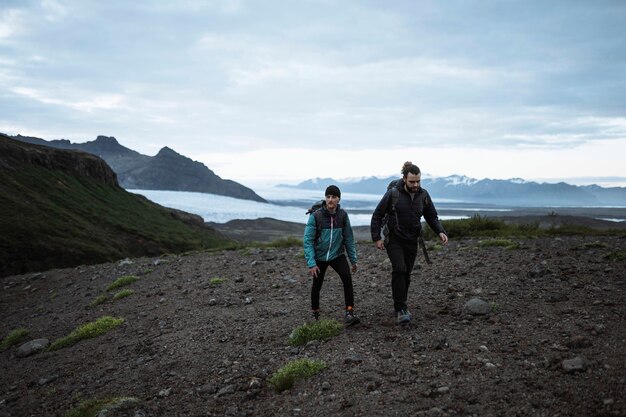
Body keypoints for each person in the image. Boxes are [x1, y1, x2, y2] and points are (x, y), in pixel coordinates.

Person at [370, 162, 448, 325]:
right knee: (399, 269)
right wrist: (377, 238)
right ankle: (401, 308)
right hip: (394, 239)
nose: (416, 184)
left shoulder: (423, 195)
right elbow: (377, 215)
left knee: (407, 274)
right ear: (404, 179)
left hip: (412, 239)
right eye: (412, 181)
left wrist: (440, 231)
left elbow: (431, 216)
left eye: (418, 181)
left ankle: (401, 303)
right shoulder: (393, 194)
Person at [303, 185, 360, 325]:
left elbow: (348, 239)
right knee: (317, 285)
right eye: (328, 197)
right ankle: (316, 313)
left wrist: (353, 260)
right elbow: (308, 241)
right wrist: (312, 263)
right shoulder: (316, 216)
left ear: (339, 199)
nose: (330, 200)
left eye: (334, 197)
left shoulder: (343, 216)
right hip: (319, 257)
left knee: (347, 278)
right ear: (325, 198)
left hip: (337, 255)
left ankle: (349, 312)